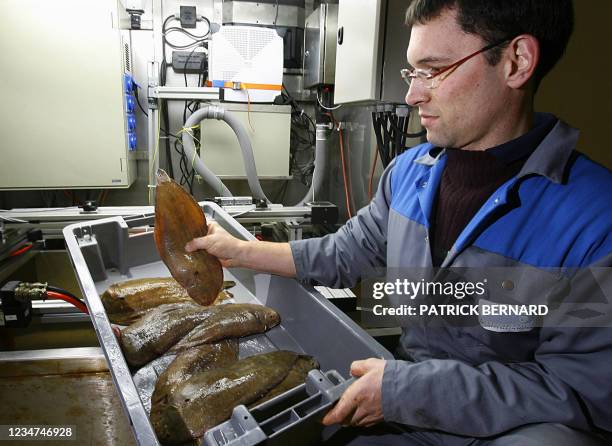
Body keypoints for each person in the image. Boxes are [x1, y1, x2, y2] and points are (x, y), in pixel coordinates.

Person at [186, 0, 612, 444]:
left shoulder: (595, 221)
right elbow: (344, 253)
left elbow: (579, 394)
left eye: (435, 69)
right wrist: (238, 250)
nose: (412, 95)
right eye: (413, 72)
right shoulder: (410, 175)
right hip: (406, 418)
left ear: (516, 61)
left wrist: (409, 391)